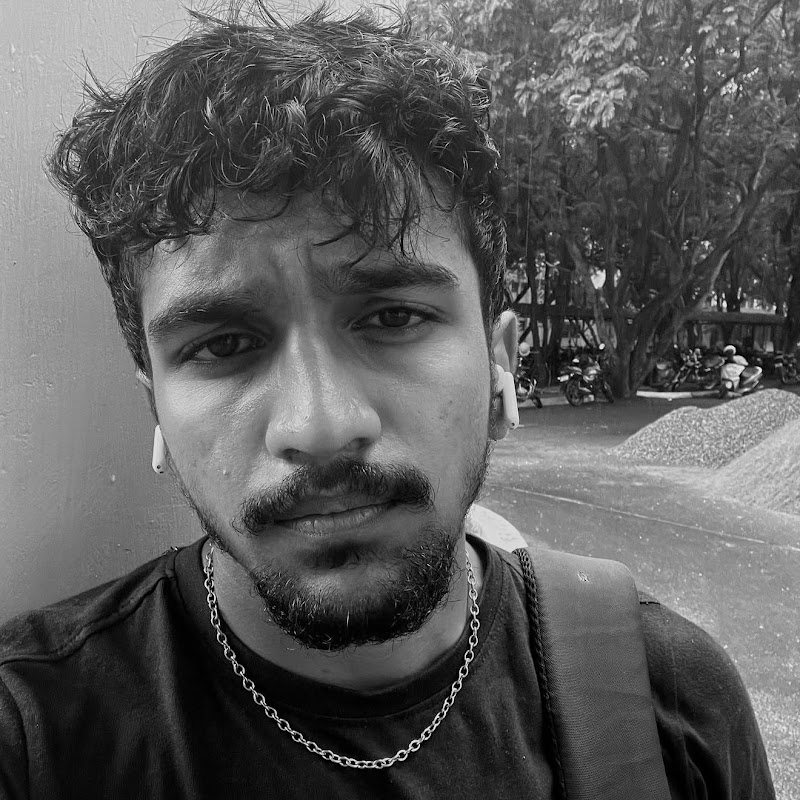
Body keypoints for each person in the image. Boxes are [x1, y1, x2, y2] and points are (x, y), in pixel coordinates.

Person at [0, 5, 775, 798]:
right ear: (157, 405)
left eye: (393, 318)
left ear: (499, 361)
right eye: (224, 345)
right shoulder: (33, 739)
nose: (321, 426)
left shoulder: (668, 704)